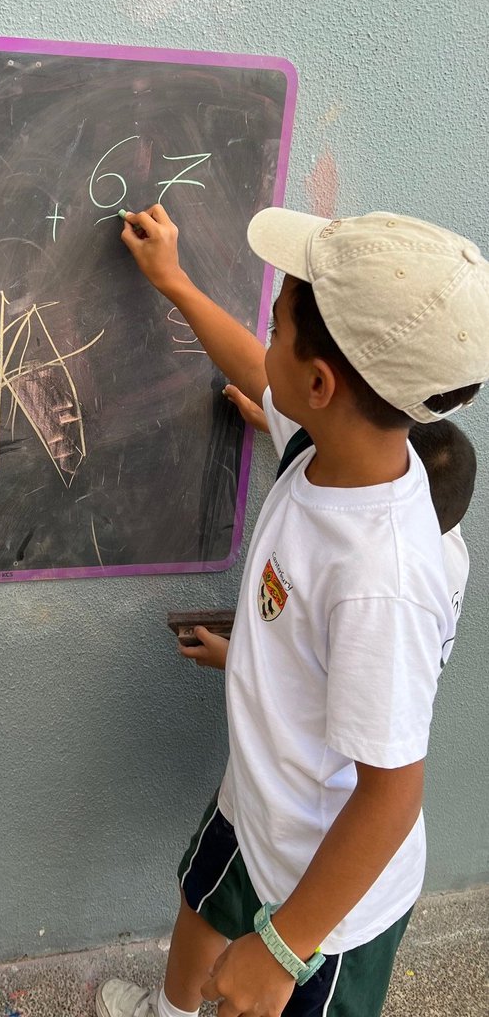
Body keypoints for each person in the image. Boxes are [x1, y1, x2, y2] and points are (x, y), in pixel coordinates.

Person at [97, 205, 489, 1017]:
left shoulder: (383, 574)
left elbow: (390, 795)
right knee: (205, 905)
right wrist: (173, 283)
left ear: (319, 384)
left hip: (328, 901)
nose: (262, 339)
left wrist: (281, 951)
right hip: (259, 803)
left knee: (253, 983)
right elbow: (252, 365)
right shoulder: (327, 441)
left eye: (275, 325)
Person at [185, 389, 476, 672]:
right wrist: (276, 425)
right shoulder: (440, 522)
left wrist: (236, 660)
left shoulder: (379, 595)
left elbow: (324, 682)